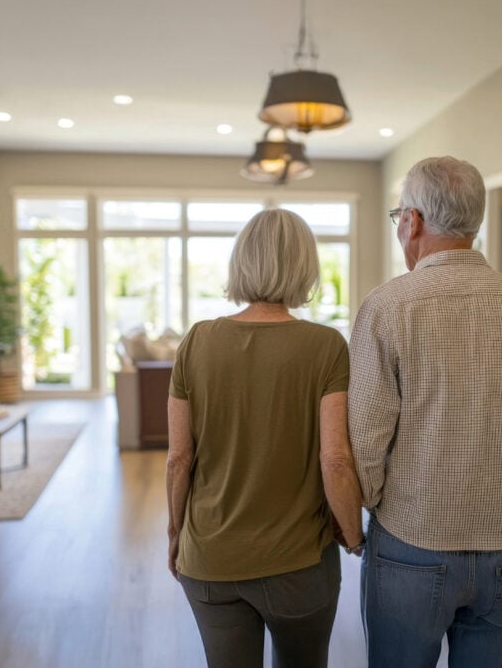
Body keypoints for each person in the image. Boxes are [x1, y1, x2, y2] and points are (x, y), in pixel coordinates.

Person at [348, 156, 502, 668]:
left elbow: (365, 446)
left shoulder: (387, 307)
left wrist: (364, 515)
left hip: (410, 545)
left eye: (398, 219)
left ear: (412, 221)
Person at [166, 208, 364, 668]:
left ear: (241, 262)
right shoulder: (326, 345)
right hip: (299, 566)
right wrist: (354, 537)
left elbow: (179, 458)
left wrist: (176, 533)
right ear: (304, 267)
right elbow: (335, 460)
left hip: (211, 559)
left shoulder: (197, 341)